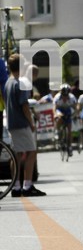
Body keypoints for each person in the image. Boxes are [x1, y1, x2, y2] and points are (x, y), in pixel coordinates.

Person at [3, 54, 44, 197]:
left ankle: (16, 186)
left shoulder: (8, 83)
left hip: (12, 122)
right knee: (31, 152)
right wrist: (31, 123)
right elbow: (25, 105)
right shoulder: (20, 83)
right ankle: (27, 185)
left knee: (17, 155)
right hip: (21, 122)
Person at [54, 84, 77, 158]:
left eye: (66, 95)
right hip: (60, 110)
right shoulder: (57, 97)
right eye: (63, 95)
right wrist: (55, 115)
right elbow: (54, 108)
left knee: (69, 130)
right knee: (59, 117)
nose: (65, 97)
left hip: (68, 110)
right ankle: (57, 131)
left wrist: (75, 115)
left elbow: (75, 108)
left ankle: (69, 146)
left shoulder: (72, 98)